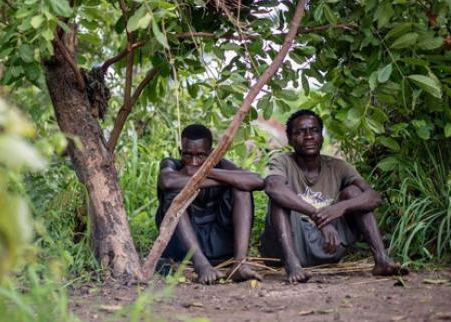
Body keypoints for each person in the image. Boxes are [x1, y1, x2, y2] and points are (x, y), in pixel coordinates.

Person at [260, 109, 406, 284]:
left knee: (354, 193)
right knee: (279, 198)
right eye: (300, 132)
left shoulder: (338, 166)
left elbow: (374, 197)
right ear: (290, 140)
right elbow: (273, 187)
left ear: (321, 137)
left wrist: (340, 207)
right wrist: (319, 216)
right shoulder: (282, 161)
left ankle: (382, 260)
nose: (308, 136)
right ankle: (293, 266)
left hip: (329, 245)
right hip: (289, 246)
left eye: (314, 130)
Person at [155, 124, 264, 284]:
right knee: (174, 194)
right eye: (187, 155)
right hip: (183, 248)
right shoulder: (171, 164)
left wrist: (205, 172)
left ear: (212, 154)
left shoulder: (220, 165)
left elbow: (257, 181)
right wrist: (223, 180)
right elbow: (168, 181)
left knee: (242, 190)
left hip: (220, 243)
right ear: (180, 152)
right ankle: (201, 265)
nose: (193, 161)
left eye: (200, 156)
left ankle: (239, 264)